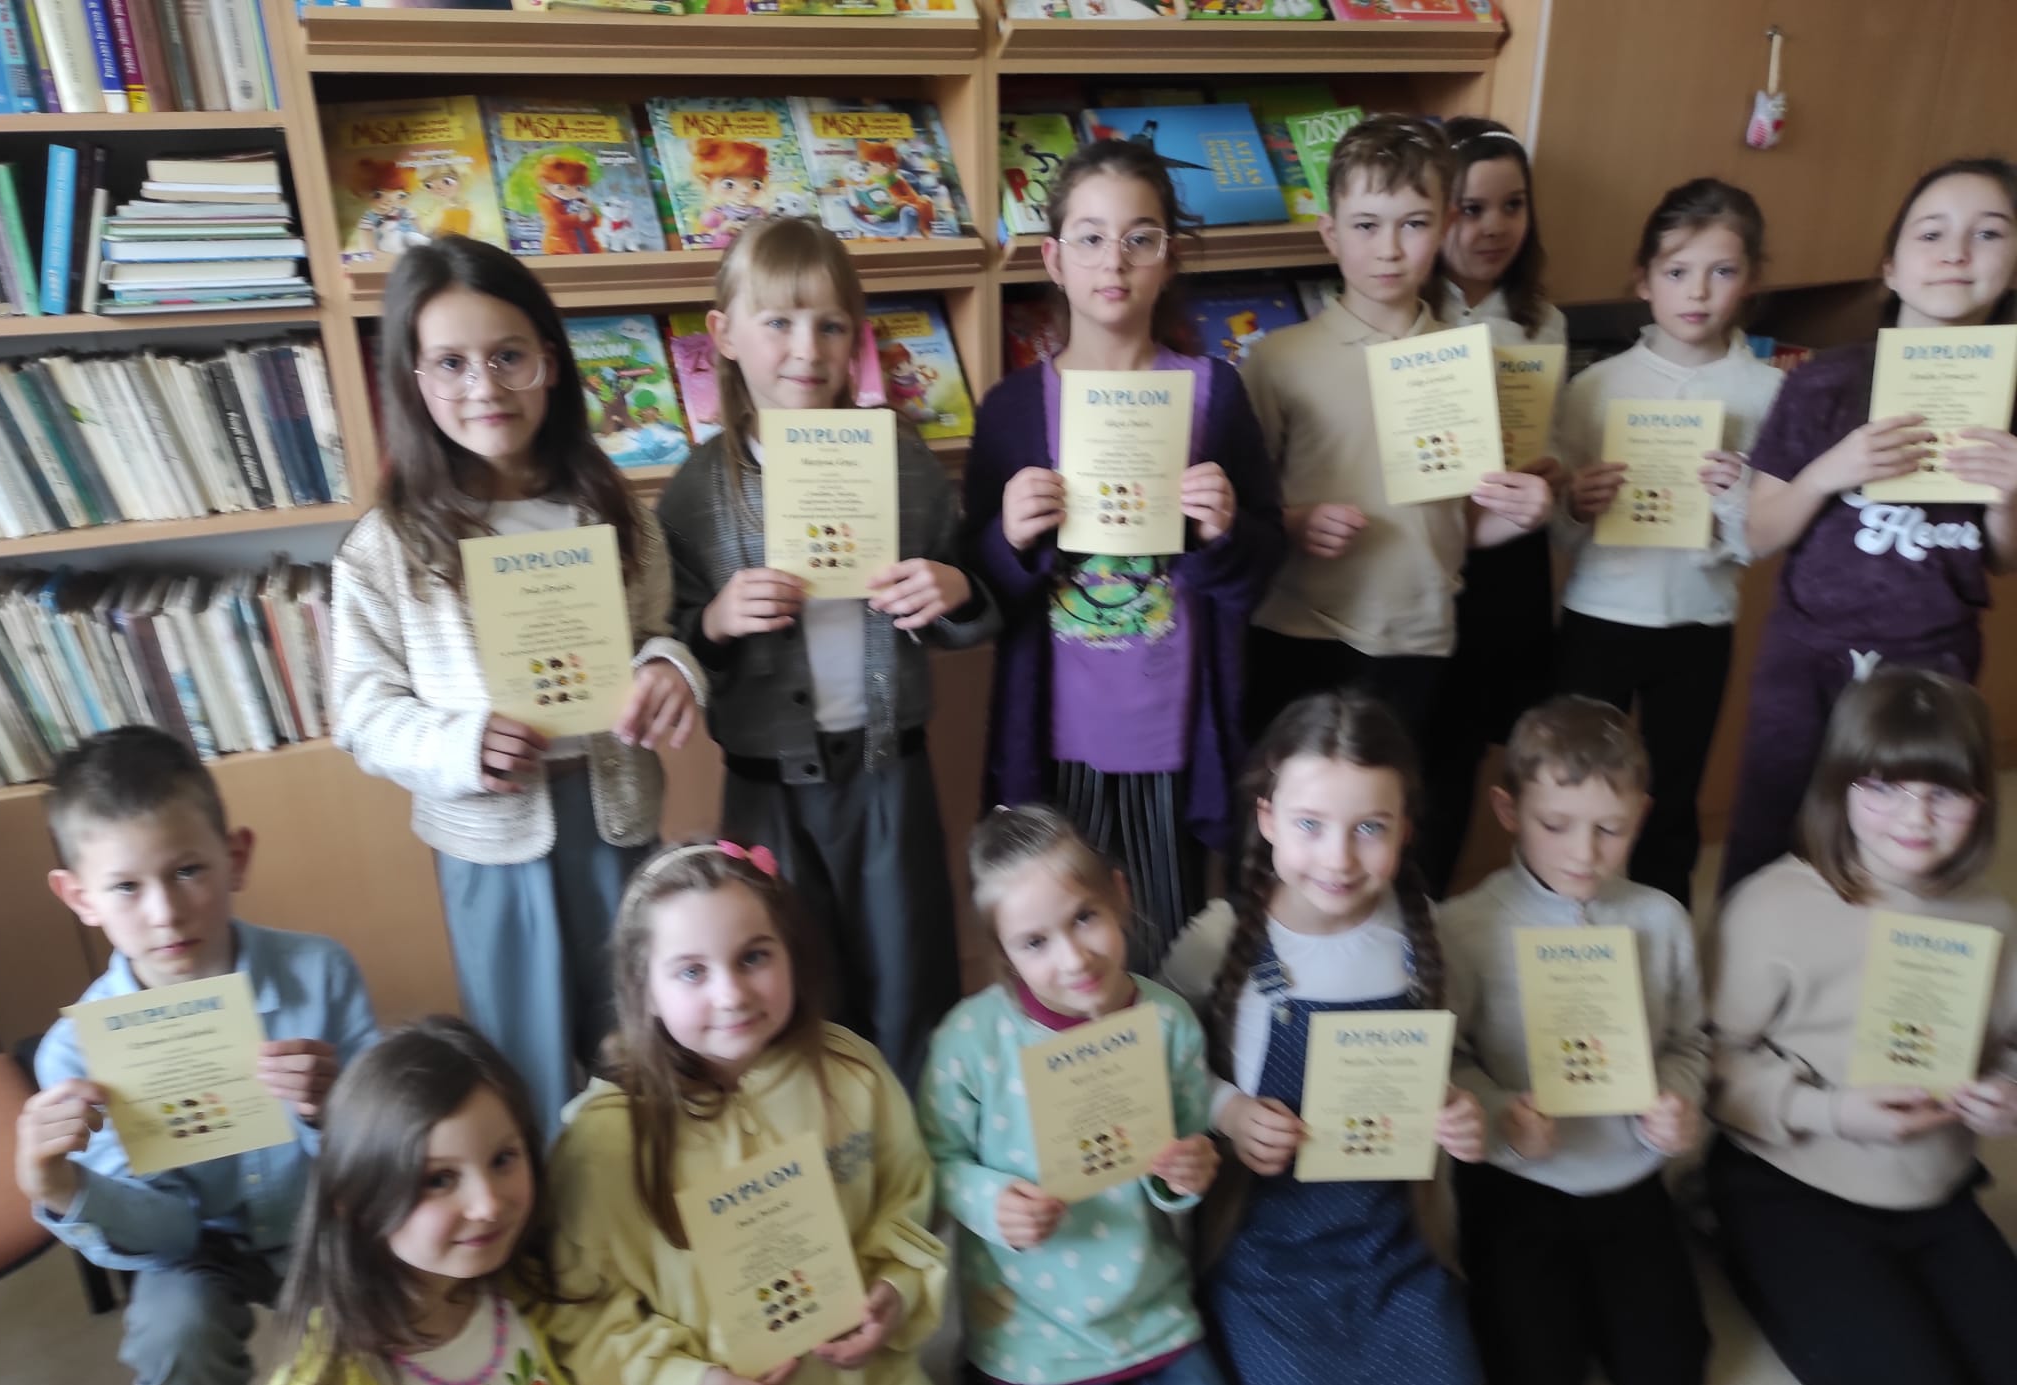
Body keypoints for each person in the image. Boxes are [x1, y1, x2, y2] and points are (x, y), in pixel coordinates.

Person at [329, 235, 704, 1136]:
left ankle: (650, 1195)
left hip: (616, 823)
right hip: (490, 842)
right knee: (524, 1065)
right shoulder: (388, 545)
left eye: (508, 357)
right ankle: (536, 1209)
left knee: (643, 1038)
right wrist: (459, 745)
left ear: (551, 363)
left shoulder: (612, 511)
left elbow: (658, 629)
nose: (485, 387)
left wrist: (669, 668)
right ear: (413, 381)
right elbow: (362, 712)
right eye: (451, 364)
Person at [659, 215, 997, 1087]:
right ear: (724, 335)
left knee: (910, 977)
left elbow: (962, 594)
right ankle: (806, 1155)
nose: (805, 349)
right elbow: (672, 644)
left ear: (857, 339)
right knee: (781, 986)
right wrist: (716, 622)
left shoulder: (903, 462)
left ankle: (915, 1147)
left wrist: (950, 592)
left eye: (830, 324)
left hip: (889, 773)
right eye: (778, 321)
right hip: (765, 788)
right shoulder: (697, 491)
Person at [547, 842, 973, 1385]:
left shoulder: (851, 1071)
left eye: (753, 957)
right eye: (691, 971)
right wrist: (690, 1384)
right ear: (643, 986)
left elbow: (909, 1204)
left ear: (791, 954)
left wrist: (894, 1291)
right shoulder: (603, 1144)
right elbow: (582, 1318)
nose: (732, 994)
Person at [14, 726, 379, 1385]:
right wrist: (62, 1185)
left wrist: (336, 1106)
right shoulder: (76, 1052)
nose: (166, 912)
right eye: (125, 887)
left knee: (391, 1297)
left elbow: (391, 1155)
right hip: (189, 1240)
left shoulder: (320, 971)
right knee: (170, 1335)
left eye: (188, 870)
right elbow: (165, 1230)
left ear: (235, 857)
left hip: (321, 1215)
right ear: (78, 897)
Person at [1162, 693, 1490, 1385]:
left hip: (1392, 1247)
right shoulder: (1219, 939)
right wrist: (1228, 1111)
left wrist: (1460, 1108)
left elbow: (1454, 1061)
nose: (1338, 858)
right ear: (1267, 819)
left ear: (1406, 828)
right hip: (1265, 1257)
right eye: (1310, 825)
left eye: (1370, 827)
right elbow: (1157, 1064)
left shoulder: (1423, 938)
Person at [962, 139, 1284, 964]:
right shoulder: (1012, 408)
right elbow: (975, 589)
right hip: (1056, 735)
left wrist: (1223, 529)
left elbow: (1262, 559)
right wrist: (1009, 537)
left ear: (1169, 258)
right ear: (1054, 259)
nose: (1115, 260)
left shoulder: (1213, 392)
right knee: (1060, 951)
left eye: (1141, 238)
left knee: (1164, 948)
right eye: (1091, 238)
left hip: (1170, 733)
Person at [918, 804, 1266, 1385]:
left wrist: (1186, 1173)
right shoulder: (970, 1042)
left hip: (1152, 1304)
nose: (1073, 959)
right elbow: (936, 1161)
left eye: (1084, 918)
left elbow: (1183, 1146)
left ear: (1120, 895)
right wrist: (991, 1201)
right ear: (1001, 948)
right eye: (1035, 942)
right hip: (1035, 1326)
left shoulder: (1166, 1021)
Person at [1709, 667, 2017, 1385]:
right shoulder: (1774, 906)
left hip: (1932, 1184)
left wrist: (2006, 1090)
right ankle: (1731, 1236)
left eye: (1943, 793)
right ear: (1840, 786)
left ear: (1981, 800)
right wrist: (1830, 1110)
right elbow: (1709, 1057)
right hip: (1792, 1176)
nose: (1914, 817)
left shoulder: (1991, 916)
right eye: (1883, 788)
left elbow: (2012, 1045)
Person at [1719, 157, 2017, 893]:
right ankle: (1747, 958)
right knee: (1771, 822)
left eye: (1988, 233)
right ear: (1890, 267)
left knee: (1909, 841)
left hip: (1934, 661)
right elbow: (1758, 533)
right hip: (1807, 652)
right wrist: (1831, 470)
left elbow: (2002, 558)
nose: (1956, 252)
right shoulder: (1825, 382)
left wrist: (2008, 499)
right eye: (1931, 233)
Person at [241, 1017, 663, 1385]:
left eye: (503, 1158)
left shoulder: (525, 1293)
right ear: (356, 1201)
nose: (488, 1204)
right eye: (440, 1179)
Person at [1239, 115, 1551, 752]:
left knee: (1400, 801)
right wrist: (1294, 523)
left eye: (1413, 223)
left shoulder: (1466, 357)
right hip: (1301, 631)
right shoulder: (1278, 359)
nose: (1389, 249)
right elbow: (1243, 511)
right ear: (1330, 233)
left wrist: (1525, 512)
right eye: (1365, 225)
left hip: (1420, 635)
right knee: (1290, 798)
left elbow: (1462, 521)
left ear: (1444, 226)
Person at [1440, 696, 1712, 1385]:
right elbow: (1447, 1059)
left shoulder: (1660, 919)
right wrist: (1502, 1117)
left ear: (1641, 816)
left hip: (1628, 1171)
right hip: (1519, 1178)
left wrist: (1679, 1102)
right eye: (1555, 825)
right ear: (1509, 810)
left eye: (1610, 829)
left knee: (1671, 1377)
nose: (1584, 854)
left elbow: (1689, 1041)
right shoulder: (1464, 927)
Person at [1552, 179, 1784, 906]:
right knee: (1571, 785)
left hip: (1699, 622)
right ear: (1643, 280)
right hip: (1598, 614)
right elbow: (1560, 525)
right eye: (1677, 271)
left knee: (1672, 796)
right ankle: (1560, 933)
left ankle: (1664, 935)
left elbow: (1763, 538)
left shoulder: (1768, 393)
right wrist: (1577, 504)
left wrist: (1735, 495)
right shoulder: (1596, 386)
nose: (1698, 292)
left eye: (1722, 271)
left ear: (1751, 281)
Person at [1420, 116, 1571, 893]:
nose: (1492, 227)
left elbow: (1557, 436)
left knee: (1488, 748)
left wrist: (1555, 471)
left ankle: (1462, 904)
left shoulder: (1545, 320)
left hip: (1511, 559)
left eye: (1512, 206)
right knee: (1424, 747)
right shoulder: (1412, 314)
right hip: (1431, 552)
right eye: (1471, 208)